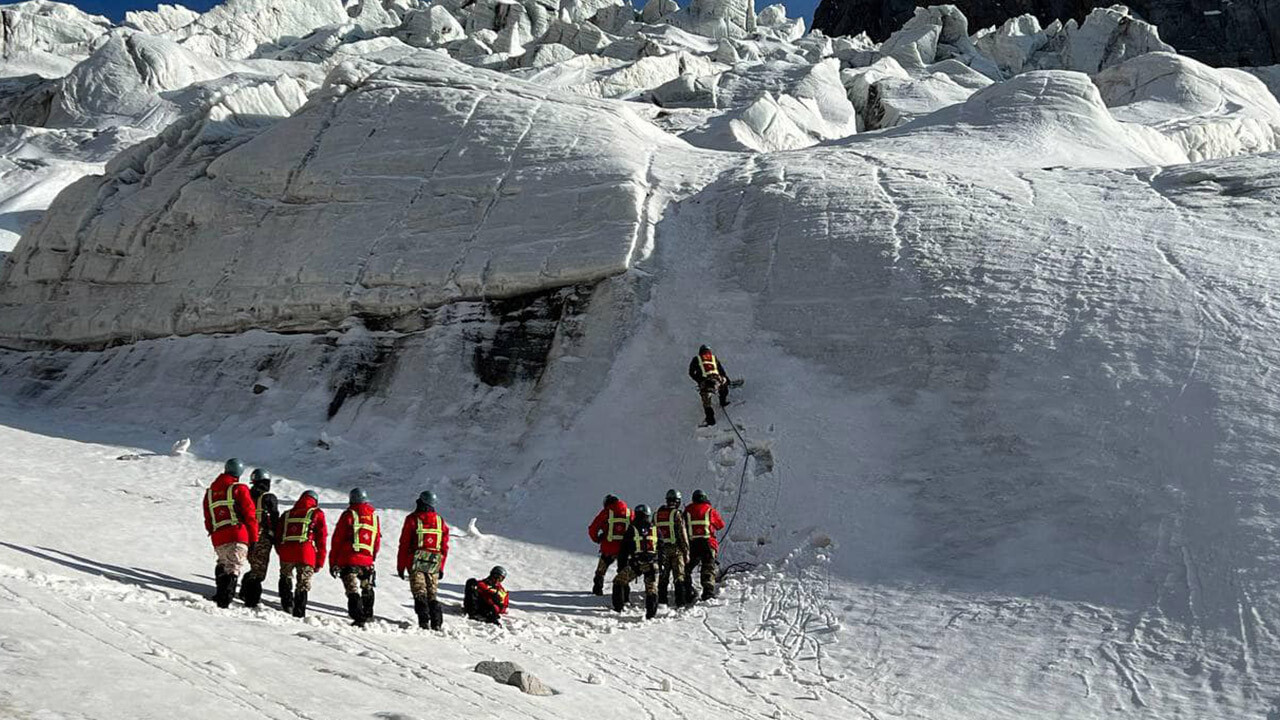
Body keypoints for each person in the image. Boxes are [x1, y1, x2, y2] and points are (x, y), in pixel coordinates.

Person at [202, 458, 259, 609]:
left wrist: (213, 532)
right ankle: (224, 601)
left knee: (222, 564)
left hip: (218, 536)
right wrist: (253, 539)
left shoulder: (209, 493)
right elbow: (250, 515)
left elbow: (208, 519)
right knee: (233, 567)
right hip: (237, 534)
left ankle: (220, 596)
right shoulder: (239, 489)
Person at [397, 491, 449, 631]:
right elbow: (444, 547)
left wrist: (401, 566)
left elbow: (404, 544)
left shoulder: (412, 519)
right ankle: (437, 623)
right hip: (434, 564)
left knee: (419, 592)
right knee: (432, 594)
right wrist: (441, 567)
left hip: (416, 562)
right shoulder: (440, 521)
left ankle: (424, 622)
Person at [330, 487, 382, 626]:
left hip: (349, 559)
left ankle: (359, 618)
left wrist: (333, 562)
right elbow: (376, 540)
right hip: (367, 561)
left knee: (352, 589)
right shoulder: (374, 517)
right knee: (367, 587)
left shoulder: (349, 515)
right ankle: (368, 614)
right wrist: (372, 557)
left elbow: (337, 539)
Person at [276, 490, 327, 618]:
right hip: (306, 552)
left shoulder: (287, 514)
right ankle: (299, 611)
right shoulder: (316, 513)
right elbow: (321, 539)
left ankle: (286, 604)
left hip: (287, 551)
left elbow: (278, 536)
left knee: (285, 576)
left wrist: (281, 552)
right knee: (303, 582)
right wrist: (319, 561)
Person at [239, 468, 279, 609]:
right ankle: (251, 600)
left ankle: (244, 591)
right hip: (262, 538)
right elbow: (275, 519)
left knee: (254, 567)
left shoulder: (245, 496)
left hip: (245, 536)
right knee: (259, 572)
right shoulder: (269, 498)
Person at [612, 504, 660, 619]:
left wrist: (621, 566)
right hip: (652, 563)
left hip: (637, 564)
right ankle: (651, 614)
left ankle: (618, 608)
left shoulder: (632, 529)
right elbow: (661, 546)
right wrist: (661, 563)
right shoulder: (654, 529)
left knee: (618, 581)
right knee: (651, 589)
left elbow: (624, 550)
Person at [684, 489, 726, 603]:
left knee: (686, 569)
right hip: (708, 543)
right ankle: (708, 592)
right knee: (708, 567)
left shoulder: (687, 510)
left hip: (692, 544)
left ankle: (688, 591)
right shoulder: (710, 510)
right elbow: (720, 525)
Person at [587, 494, 631, 596]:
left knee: (600, 571)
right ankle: (624, 595)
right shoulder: (630, 513)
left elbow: (593, 528)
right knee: (623, 572)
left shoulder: (605, 513)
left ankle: (597, 591)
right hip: (625, 549)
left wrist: (597, 539)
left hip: (608, 548)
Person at [654, 488, 690, 606]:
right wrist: (686, 551)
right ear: (678, 501)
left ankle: (662, 601)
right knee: (679, 575)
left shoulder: (656, 515)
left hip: (661, 551)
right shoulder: (677, 514)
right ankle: (680, 601)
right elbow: (682, 533)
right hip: (675, 550)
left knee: (663, 576)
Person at [688, 344, 731, 426]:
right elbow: (721, 370)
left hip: (705, 382)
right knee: (723, 387)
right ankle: (723, 401)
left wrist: (699, 381)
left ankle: (711, 420)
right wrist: (727, 379)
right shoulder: (714, 358)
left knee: (706, 402)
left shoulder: (697, 359)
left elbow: (691, 372)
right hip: (717, 379)